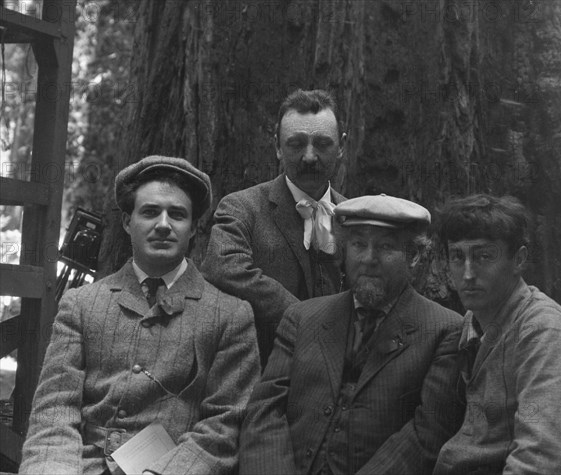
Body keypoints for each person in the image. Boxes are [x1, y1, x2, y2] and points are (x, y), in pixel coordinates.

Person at [19, 156, 260, 475]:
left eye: (177, 214)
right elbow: (54, 413)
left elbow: (222, 429)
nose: (163, 224)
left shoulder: (230, 316)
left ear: (192, 229)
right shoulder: (81, 304)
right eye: (149, 212)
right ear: (127, 223)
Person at [239, 194, 465, 475]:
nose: (369, 259)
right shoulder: (302, 318)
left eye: (385, 246)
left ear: (414, 256)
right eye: (358, 244)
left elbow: (427, 435)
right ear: (344, 251)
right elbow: (264, 413)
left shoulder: (444, 331)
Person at [433, 194, 561, 474]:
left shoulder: (543, 331)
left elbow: (543, 459)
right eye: (457, 257)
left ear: (519, 260)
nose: (468, 273)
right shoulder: (474, 322)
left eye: (484, 256)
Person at [201, 89, 346, 367]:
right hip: (263, 378)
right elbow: (222, 268)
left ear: (341, 146)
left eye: (323, 144)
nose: (309, 157)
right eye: (296, 144)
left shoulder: (355, 216)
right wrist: (304, 319)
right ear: (278, 146)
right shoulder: (242, 208)